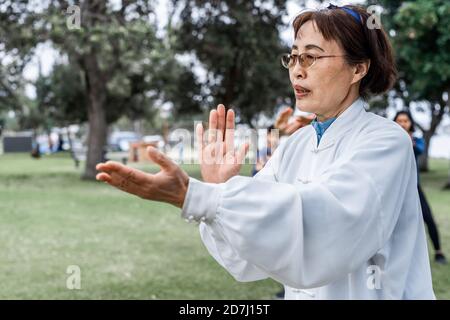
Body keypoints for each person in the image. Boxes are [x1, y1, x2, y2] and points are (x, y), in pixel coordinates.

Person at [96, 4, 435, 299]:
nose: (297, 69)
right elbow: (253, 257)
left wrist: (197, 197)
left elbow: (325, 226)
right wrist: (220, 187)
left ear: (358, 69)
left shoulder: (386, 141)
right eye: (294, 56)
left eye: (312, 57)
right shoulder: (295, 146)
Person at [394, 110, 447, 265]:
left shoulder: (417, 140)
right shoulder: (389, 139)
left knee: (428, 218)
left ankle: (438, 252)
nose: (402, 124)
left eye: (405, 121)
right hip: (395, 187)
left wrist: (408, 139)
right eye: (399, 120)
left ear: (410, 123)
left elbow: (419, 150)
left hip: (414, 186)